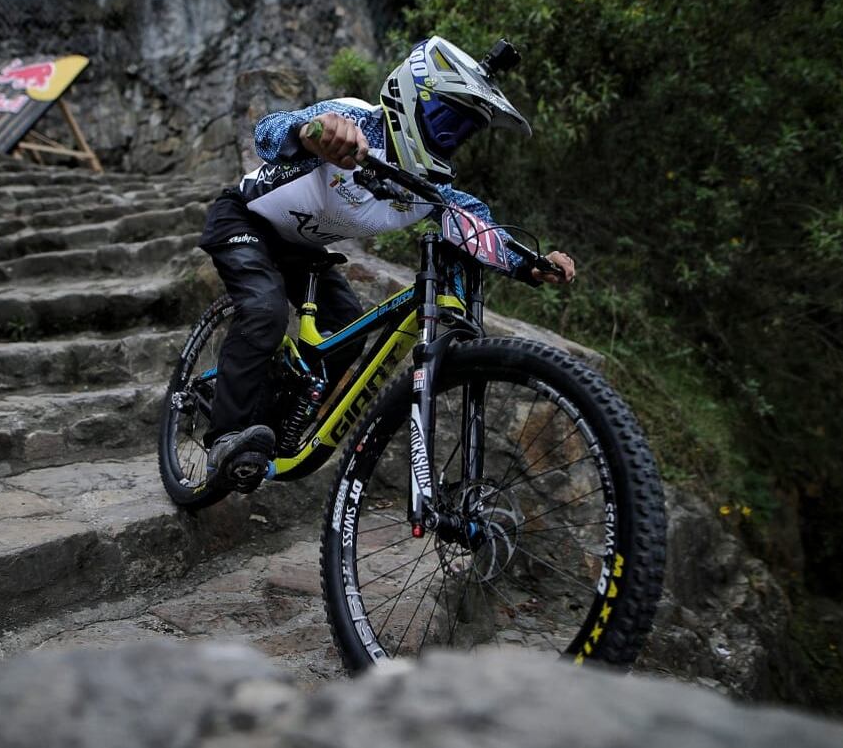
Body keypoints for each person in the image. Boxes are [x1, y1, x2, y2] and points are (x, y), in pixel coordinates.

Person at [196, 36, 576, 491]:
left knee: (345, 331)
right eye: (446, 121)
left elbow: (480, 230)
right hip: (245, 218)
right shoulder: (355, 120)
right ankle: (226, 437)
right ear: (414, 98)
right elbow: (270, 131)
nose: (450, 139)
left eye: (464, 132)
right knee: (264, 310)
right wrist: (314, 133)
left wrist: (530, 265)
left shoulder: (432, 190)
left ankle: (272, 428)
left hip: (304, 250)